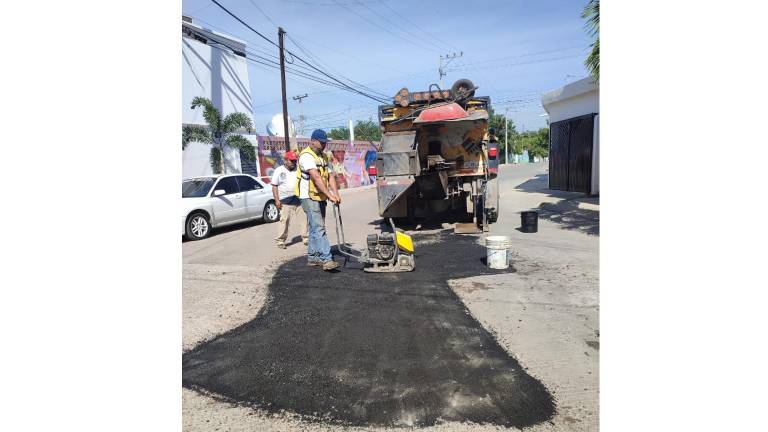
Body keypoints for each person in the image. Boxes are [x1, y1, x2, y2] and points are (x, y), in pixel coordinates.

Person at [296, 129, 341, 271]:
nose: (324, 145)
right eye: (322, 142)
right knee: (319, 227)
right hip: (308, 196)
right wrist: (329, 195)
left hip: (319, 195)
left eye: (325, 142)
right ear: (313, 141)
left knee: (316, 227)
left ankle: (313, 257)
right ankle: (326, 260)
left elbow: (331, 176)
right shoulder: (306, 156)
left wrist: (336, 194)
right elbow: (316, 177)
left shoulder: (324, 156)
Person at [270, 150, 308, 249]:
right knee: (284, 220)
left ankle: (306, 238)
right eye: (291, 161)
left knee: (304, 219)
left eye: (295, 161)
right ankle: (280, 241)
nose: (293, 163)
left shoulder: (298, 169)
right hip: (285, 200)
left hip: (299, 199)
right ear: (285, 160)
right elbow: (274, 186)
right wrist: (277, 200)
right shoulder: (279, 170)